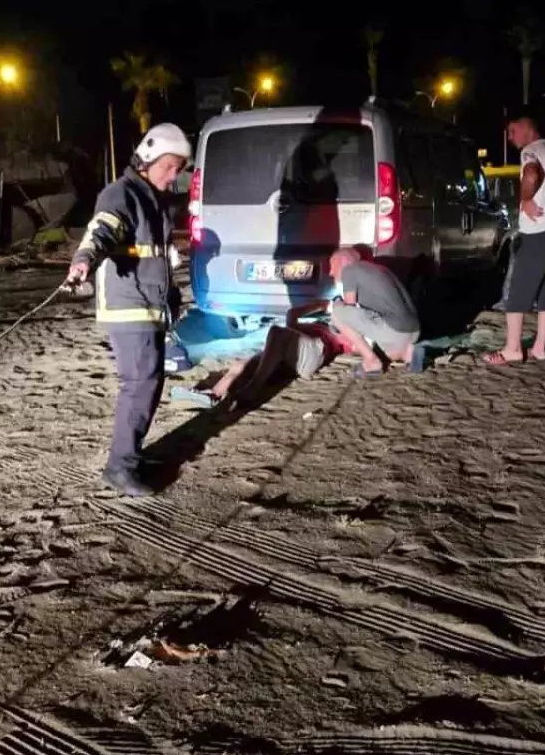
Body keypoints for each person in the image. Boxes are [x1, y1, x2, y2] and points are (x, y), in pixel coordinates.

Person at [66, 122, 192, 495]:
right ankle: (120, 467)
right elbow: (102, 230)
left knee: (148, 383)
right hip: (128, 305)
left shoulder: (153, 199)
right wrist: (84, 259)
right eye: (169, 166)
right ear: (148, 157)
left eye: (179, 169)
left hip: (148, 304)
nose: (173, 177)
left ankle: (130, 456)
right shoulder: (120, 193)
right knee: (140, 384)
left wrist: (171, 298)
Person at [485, 109, 545, 365]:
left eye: (513, 131)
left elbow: (532, 173)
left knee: (518, 292)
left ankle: (513, 349)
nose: (511, 138)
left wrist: (526, 199)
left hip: (537, 232)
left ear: (527, 127)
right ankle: (539, 348)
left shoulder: (531, 150)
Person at [174, 316, 345, 410]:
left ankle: (252, 388)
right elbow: (292, 316)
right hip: (292, 358)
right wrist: (320, 304)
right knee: (245, 363)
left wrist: (324, 310)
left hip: (314, 353)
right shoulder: (308, 329)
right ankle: (214, 394)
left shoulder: (329, 330)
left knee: (277, 332)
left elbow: (292, 319)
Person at [326, 247, 421, 375]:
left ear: (344, 260)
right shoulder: (381, 269)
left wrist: (336, 304)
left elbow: (350, 306)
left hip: (395, 330)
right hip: (414, 330)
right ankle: (408, 353)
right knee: (391, 354)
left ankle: (371, 361)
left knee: (337, 314)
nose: (331, 272)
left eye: (332, 264)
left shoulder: (350, 270)